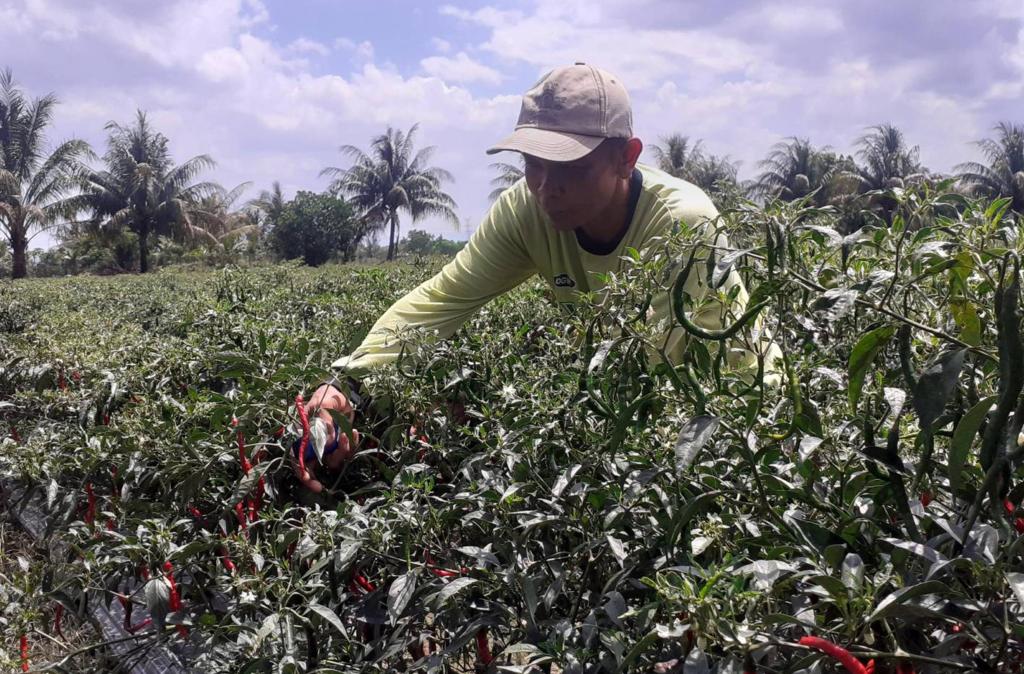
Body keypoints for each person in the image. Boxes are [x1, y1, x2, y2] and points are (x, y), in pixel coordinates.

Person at [291, 62, 781, 492]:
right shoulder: (526, 211)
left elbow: (640, 376)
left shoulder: (681, 223)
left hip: (743, 425)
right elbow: (443, 298)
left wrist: (489, 422)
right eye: (532, 164)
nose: (547, 188)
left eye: (570, 166)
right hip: (640, 428)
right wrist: (347, 385)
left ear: (626, 157)